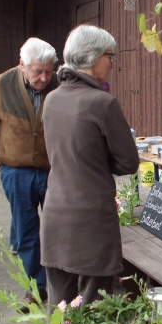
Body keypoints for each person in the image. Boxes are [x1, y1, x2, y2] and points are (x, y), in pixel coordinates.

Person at [41, 24, 139, 306]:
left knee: (59, 307)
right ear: (95, 57)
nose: (112, 63)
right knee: (93, 307)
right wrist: (98, 159)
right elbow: (128, 163)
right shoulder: (103, 103)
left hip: (55, 213)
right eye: (111, 56)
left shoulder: (51, 100)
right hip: (91, 220)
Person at [0, 38, 58, 310]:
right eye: (37, 71)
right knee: (26, 233)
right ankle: (36, 288)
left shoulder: (59, 84)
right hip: (16, 173)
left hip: (53, 172)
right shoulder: (1, 85)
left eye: (48, 71)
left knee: (58, 229)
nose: (44, 77)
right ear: (22, 65)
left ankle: (62, 285)